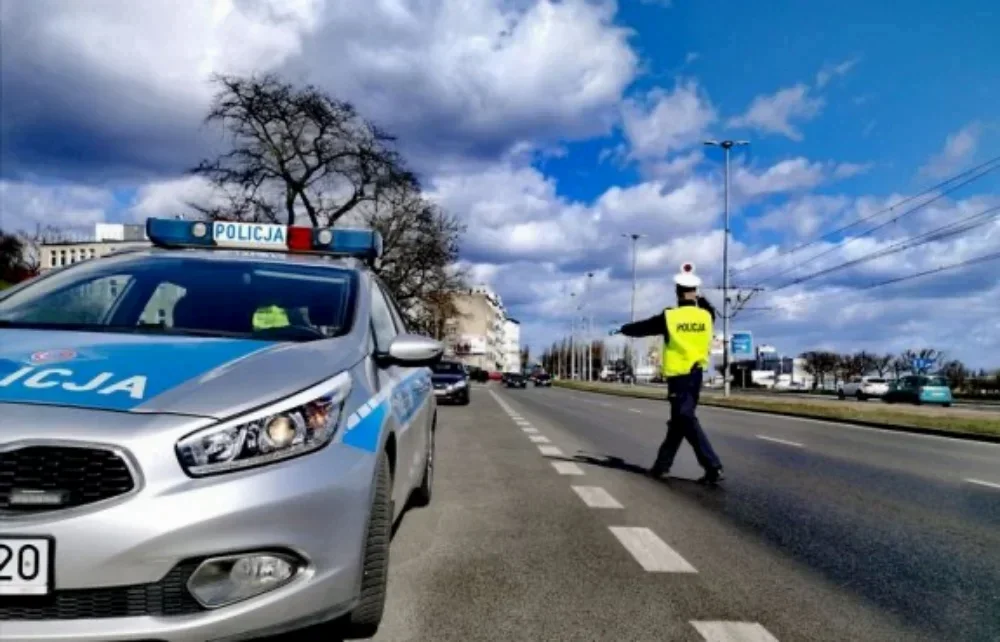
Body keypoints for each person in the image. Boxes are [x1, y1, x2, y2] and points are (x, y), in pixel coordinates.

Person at [610, 262, 724, 484]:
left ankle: (712, 465)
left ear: (676, 292)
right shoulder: (707, 316)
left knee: (685, 419)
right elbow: (706, 307)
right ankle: (661, 466)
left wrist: (623, 329)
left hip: (679, 377)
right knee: (679, 422)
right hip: (697, 375)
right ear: (695, 292)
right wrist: (699, 295)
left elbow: (644, 327)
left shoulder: (670, 317)